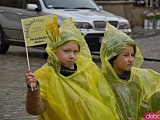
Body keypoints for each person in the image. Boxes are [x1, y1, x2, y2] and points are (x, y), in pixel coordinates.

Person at [25, 16, 119, 120]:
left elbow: (101, 99)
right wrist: (33, 90)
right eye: (66, 51)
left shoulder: (86, 71)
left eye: (75, 52)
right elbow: (35, 110)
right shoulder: (45, 75)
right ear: (53, 50)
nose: (72, 56)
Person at [100, 22, 160, 120]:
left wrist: (155, 116)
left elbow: (143, 109)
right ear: (113, 58)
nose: (131, 59)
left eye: (132, 55)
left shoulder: (135, 80)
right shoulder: (103, 81)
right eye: (126, 55)